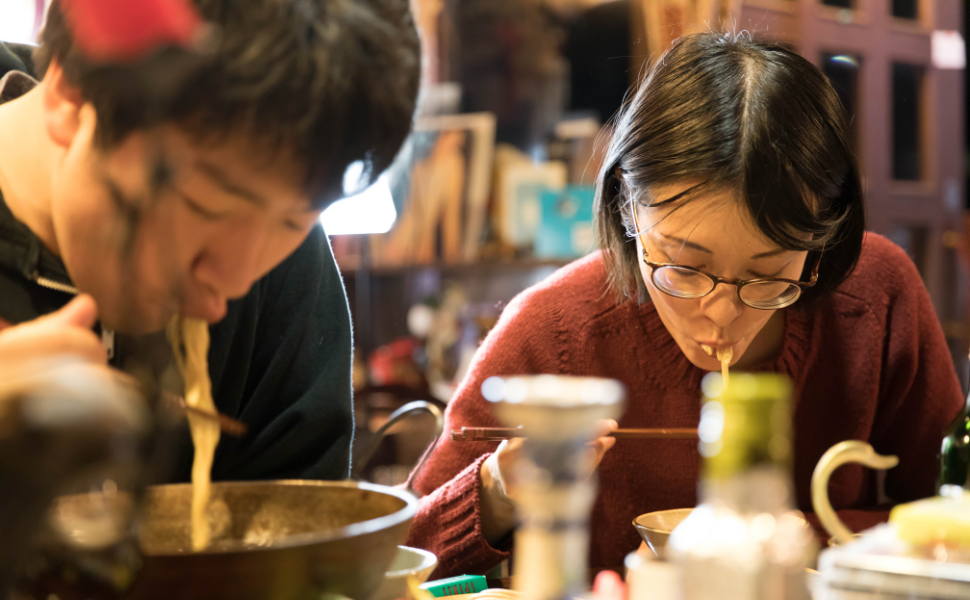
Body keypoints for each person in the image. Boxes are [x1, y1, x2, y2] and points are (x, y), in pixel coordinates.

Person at [405, 32, 964, 576]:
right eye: (684, 268)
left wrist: (799, 539)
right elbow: (400, 553)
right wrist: (499, 491)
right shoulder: (553, 332)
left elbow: (955, 515)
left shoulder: (873, 298)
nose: (721, 314)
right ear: (628, 205)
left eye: (768, 275)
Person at [0, 0, 420, 482]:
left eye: (293, 220)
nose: (232, 286)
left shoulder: (287, 272)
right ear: (72, 94)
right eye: (207, 207)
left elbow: (300, 544)